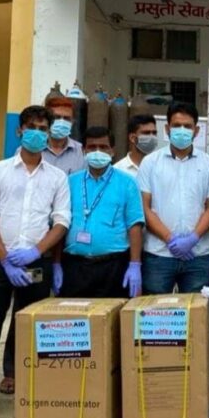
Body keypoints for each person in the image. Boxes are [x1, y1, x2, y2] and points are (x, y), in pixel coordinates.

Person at [0, 106, 70, 408]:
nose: (37, 133)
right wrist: (5, 259)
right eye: (31, 127)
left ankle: (26, 387)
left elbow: (61, 221)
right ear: (19, 130)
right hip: (0, 261)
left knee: (31, 328)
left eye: (43, 129)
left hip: (36, 261)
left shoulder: (57, 177)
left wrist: (37, 250)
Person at [137, 102, 209, 294]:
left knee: (196, 310)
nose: (182, 130)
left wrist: (193, 238)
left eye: (187, 126)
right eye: (176, 125)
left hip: (197, 254)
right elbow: (144, 208)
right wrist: (170, 239)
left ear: (196, 130)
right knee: (155, 309)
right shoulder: (150, 163)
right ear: (167, 129)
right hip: (159, 254)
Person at [58, 126, 144, 298]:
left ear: (112, 151)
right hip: (75, 266)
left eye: (103, 147)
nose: (97, 151)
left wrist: (135, 265)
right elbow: (61, 223)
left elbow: (135, 225)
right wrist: (56, 263)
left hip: (113, 266)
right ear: (84, 150)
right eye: (92, 147)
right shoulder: (70, 182)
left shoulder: (127, 182)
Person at [42, 96, 86, 175]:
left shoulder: (80, 151)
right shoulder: (34, 147)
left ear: (72, 122)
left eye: (66, 118)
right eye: (56, 117)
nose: (61, 122)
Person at [113, 114, 159, 180]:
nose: (152, 137)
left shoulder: (161, 167)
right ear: (132, 138)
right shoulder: (118, 170)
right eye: (146, 133)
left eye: (154, 133)